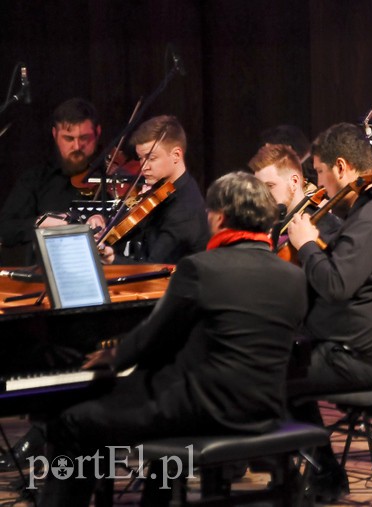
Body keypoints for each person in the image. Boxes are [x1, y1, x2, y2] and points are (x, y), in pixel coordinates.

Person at [37, 171, 308, 506]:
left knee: (74, 420)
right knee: (141, 395)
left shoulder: (199, 268)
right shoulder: (295, 277)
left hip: (204, 411)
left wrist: (114, 358)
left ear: (219, 217)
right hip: (263, 409)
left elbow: (151, 337)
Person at [285, 122, 372, 502]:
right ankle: (319, 474)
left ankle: (312, 478)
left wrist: (307, 245)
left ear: (341, 168)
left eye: (321, 174)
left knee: (264, 376)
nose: (321, 185)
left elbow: (336, 284)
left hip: (359, 356)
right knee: (283, 367)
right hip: (366, 346)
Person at [0, 98, 102, 265]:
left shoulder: (114, 176)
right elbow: (5, 228)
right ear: (55, 135)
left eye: (84, 138)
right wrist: (39, 223)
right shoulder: (36, 179)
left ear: (98, 132)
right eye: (68, 138)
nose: (77, 146)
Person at [97, 115, 209, 264]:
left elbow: (154, 270)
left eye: (151, 158)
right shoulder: (161, 191)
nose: (144, 167)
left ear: (176, 155)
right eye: (141, 158)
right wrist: (103, 221)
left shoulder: (183, 211)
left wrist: (112, 259)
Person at [247, 142, 340, 249]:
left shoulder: (327, 228)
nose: (262, 195)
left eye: (270, 186)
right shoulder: (265, 229)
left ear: (294, 182)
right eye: (259, 188)